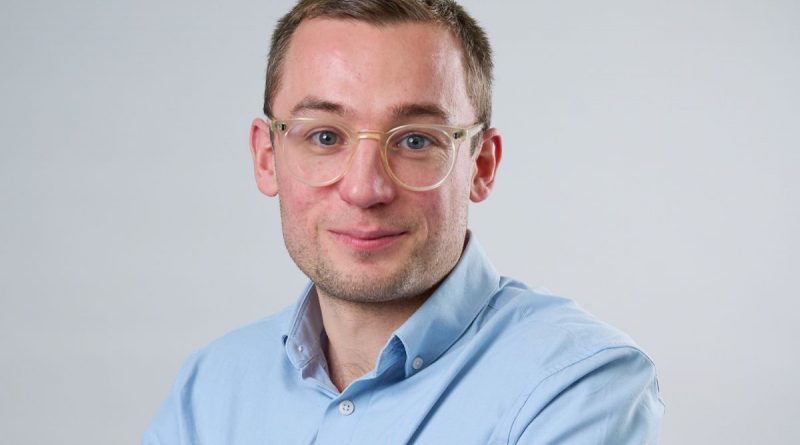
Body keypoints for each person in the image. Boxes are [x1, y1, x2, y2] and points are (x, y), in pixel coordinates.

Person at [143, 0, 664, 443]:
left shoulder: (580, 383)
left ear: (481, 166)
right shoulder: (208, 389)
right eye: (325, 136)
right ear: (266, 157)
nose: (364, 189)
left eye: (415, 141)